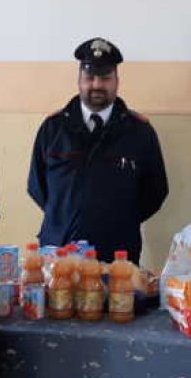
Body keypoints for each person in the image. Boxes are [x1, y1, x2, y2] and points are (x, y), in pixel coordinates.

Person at [27, 37, 168, 263]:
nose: (97, 85)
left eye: (105, 77)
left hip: (118, 257)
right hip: (60, 255)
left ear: (116, 81)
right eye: (89, 77)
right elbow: (37, 187)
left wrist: (119, 220)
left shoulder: (139, 132)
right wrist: (65, 215)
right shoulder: (53, 128)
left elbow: (155, 192)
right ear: (79, 80)